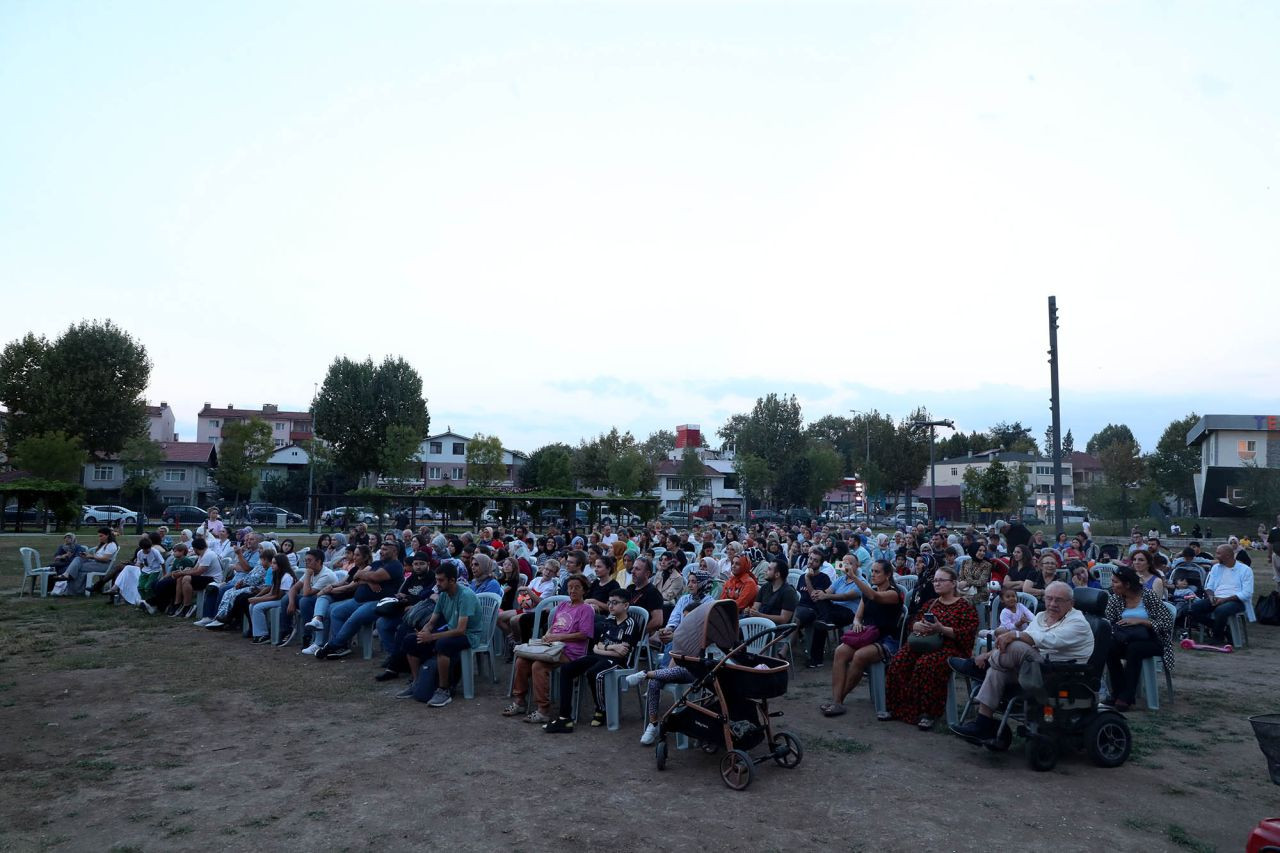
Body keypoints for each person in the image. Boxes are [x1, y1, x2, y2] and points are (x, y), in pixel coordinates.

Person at [950, 582, 1093, 745]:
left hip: (1057, 673)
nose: (1053, 604)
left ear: (1071, 603)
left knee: (1016, 644)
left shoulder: (1078, 622)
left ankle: (975, 669)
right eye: (1049, 598)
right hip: (1031, 667)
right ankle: (982, 725)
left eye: (1059, 600)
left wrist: (1014, 635)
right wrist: (986, 655)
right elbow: (1025, 637)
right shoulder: (1041, 617)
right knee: (997, 671)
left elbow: (1048, 640)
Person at [885, 566, 977, 730]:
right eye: (935, 580)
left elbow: (966, 635)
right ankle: (899, 708)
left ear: (953, 583)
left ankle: (929, 713)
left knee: (926, 664)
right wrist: (917, 625)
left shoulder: (964, 606)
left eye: (941, 580)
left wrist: (940, 629)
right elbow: (913, 623)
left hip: (951, 646)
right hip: (925, 642)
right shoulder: (931, 603)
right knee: (899, 661)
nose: (936, 583)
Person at [544, 591, 644, 732]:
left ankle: (601, 709)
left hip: (619, 661)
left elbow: (622, 653)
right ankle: (564, 717)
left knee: (594, 673)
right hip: (602, 655)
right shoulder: (609, 621)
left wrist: (605, 648)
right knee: (567, 670)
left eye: (615, 603)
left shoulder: (630, 623)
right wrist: (612, 646)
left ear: (626, 605)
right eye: (609, 602)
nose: (610, 606)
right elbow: (597, 647)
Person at [626, 595, 718, 746]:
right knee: (656, 681)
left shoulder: (707, 634)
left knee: (682, 670)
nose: (686, 622)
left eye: (689, 619)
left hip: (702, 673)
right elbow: (675, 657)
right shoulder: (683, 634)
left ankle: (644, 674)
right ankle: (653, 723)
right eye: (685, 618)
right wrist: (666, 674)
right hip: (681, 671)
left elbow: (701, 661)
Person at [505, 574, 595, 724]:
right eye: (570, 587)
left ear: (584, 590)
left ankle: (543, 710)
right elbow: (554, 626)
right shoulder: (563, 606)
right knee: (522, 661)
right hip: (552, 645)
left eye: (577, 588)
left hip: (571, 651)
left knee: (539, 666)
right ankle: (519, 701)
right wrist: (547, 636)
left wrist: (558, 638)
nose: (572, 591)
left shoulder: (586, 609)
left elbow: (584, 635)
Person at [821, 559, 904, 717]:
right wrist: (857, 623)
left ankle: (839, 700)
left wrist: (854, 577)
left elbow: (874, 596)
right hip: (867, 635)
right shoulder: (869, 591)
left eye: (877, 572)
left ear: (888, 575)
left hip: (886, 638)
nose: (873, 574)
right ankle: (837, 701)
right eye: (872, 571)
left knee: (859, 656)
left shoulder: (893, 593)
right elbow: (858, 616)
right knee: (840, 651)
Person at [403, 560, 483, 707]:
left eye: (441, 580)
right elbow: (432, 621)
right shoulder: (443, 594)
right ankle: (416, 682)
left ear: (452, 580)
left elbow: (461, 630)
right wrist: (424, 631)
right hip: (451, 631)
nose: (437, 584)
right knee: (411, 640)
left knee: (442, 644)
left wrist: (431, 636)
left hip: (470, 635)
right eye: (436, 580)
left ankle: (444, 690)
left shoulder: (465, 596)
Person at [1102, 566, 1174, 711]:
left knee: (1134, 650)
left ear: (1127, 584)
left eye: (1116, 582)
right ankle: (1119, 692)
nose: (1112, 585)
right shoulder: (1115, 598)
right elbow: (1108, 621)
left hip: (1152, 639)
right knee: (1109, 647)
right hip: (1125, 638)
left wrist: (1141, 621)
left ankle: (1126, 696)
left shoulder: (1148, 596)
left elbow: (1167, 622)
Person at [315, 542, 402, 658]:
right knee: (336, 612)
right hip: (358, 600)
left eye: (385, 549)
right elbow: (356, 576)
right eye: (381, 548)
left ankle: (334, 645)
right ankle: (342, 646)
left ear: (395, 552)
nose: (381, 551)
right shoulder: (377, 563)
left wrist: (367, 576)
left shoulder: (395, 566)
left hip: (379, 602)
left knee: (355, 617)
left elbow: (374, 576)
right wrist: (369, 580)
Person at [1188, 543, 1256, 644]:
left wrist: (1225, 600)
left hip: (1237, 601)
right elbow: (1209, 587)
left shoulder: (1245, 570)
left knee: (1221, 610)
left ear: (1228, 555)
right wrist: (1211, 597)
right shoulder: (1216, 568)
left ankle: (1217, 637)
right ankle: (1223, 630)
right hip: (1216, 598)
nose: (1216, 556)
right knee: (1192, 609)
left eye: (1218, 553)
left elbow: (1247, 593)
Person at [248, 554, 296, 644]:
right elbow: (271, 592)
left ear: (281, 564)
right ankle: (257, 633)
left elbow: (278, 596)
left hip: (285, 601)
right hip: (277, 599)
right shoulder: (277, 574)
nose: (271, 565)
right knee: (252, 605)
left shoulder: (286, 576)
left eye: (274, 563)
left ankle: (264, 635)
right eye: (272, 563)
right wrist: (257, 598)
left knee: (257, 607)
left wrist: (258, 600)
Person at [57, 528, 119, 596]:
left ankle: (71, 586)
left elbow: (105, 559)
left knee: (77, 569)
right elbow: (97, 556)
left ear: (107, 535)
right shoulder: (103, 544)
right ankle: (69, 579)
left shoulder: (111, 545)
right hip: (96, 563)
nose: (99, 538)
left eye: (101, 536)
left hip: (104, 565)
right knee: (78, 559)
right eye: (99, 536)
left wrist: (91, 556)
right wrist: (87, 556)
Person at [624, 556, 665, 640]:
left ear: (647, 574)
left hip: (633, 636)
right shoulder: (630, 588)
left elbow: (658, 621)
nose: (632, 571)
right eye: (633, 568)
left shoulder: (653, 593)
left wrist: (638, 633)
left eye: (637, 569)